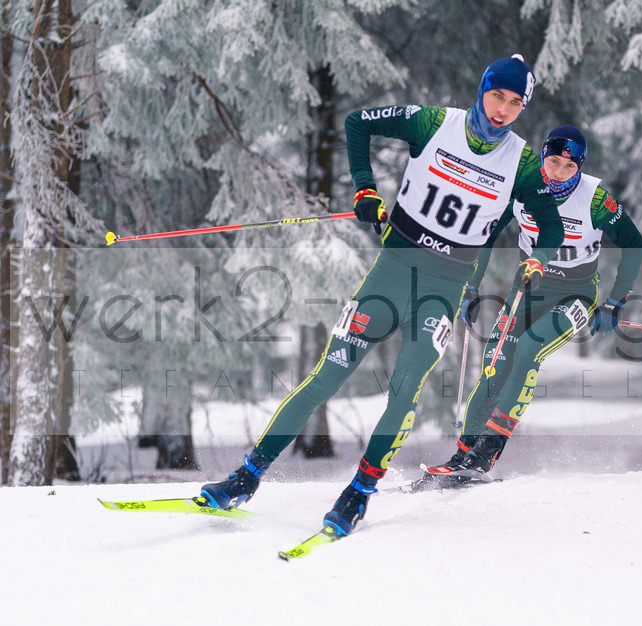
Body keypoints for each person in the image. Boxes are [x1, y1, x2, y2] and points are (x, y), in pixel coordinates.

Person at [197, 55, 565, 535]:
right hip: (391, 272)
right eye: (498, 96)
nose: (503, 110)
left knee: (404, 388)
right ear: (483, 89)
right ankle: (247, 476)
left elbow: (551, 225)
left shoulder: (522, 160)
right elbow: (356, 124)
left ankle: (358, 493)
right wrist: (365, 191)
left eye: (516, 103)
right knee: (328, 375)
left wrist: (538, 256)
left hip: (443, 287)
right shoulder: (433, 123)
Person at [415, 124, 642, 488]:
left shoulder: (596, 200)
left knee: (530, 347)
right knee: (494, 364)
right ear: (542, 157)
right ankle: (463, 455)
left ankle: (488, 449)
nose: (559, 173)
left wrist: (616, 302)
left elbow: (635, 245)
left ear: (580, 168)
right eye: (553, 162)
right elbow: (485, 233)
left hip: (577, 295)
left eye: (569, 167)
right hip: (527, 292)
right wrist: (470, 285)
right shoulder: (520, 186)